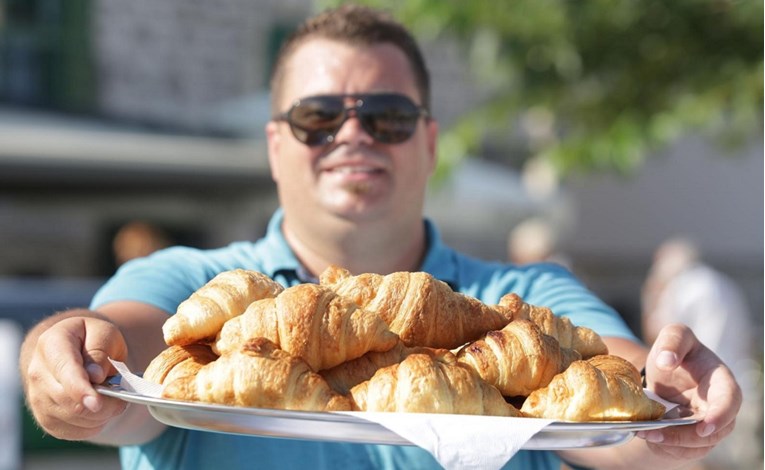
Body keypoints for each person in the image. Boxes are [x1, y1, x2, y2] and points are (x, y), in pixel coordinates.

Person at [19, 5, 741, 470]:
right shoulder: (190, 286)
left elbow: (620, 401)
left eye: (387, 116)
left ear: (428, 143)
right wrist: (63, 358)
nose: (353, 135)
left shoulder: (519, 304)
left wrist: (674, 405)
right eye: (318, 117)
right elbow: (117, 360)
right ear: (276, 145)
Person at [642, 236, 759, 469]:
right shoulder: (723, 283)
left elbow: (657, 335)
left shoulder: (681, 288)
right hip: (740, 387)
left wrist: (652, 293)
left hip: (698, 396)